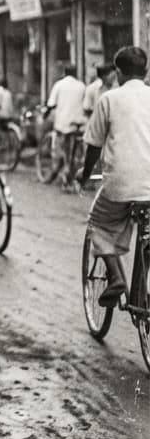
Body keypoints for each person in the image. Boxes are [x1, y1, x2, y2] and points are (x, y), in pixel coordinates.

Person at [79, 46, 150, 305]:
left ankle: (117, 277)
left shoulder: (109, 99)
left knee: (98, 223)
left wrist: (84, 176)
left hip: (121, 185)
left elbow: (94, 146)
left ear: (118, 72)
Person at [43, 62, 87, 186]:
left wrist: (46, 113)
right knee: (72, 147)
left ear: (65, 73)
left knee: (60, 148)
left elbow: (51, 104)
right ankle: (70, 170)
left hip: (63, 123)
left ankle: (63, 170)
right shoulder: (82, 85)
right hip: (79, 123)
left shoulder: (59, 85)